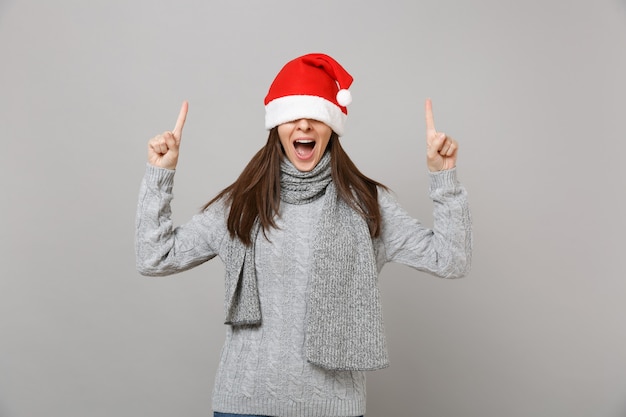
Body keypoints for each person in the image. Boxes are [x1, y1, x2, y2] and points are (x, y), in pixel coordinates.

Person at [136, 53, 472, 417]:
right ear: (277, 126)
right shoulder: (242, 203)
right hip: (244, 405)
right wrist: (160, 174)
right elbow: (156, 257)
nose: (304, 127)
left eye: (316, 116)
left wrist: (444, 180)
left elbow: (450, 260)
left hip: (333, 409)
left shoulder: (366, 205)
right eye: (292, 117)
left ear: (332, 126)